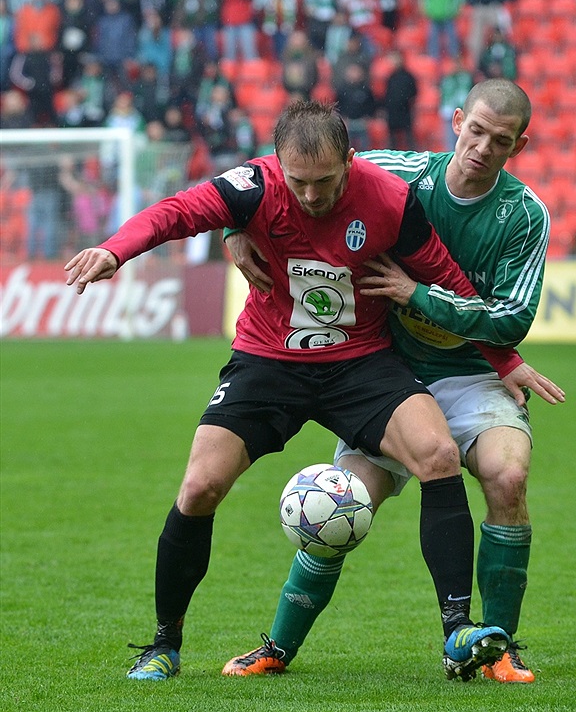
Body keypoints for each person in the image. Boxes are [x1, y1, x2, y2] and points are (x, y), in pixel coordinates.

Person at [64, 100, 548, 682]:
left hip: (360, 363)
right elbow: (174, 212)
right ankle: (164, 644)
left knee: (439, 456)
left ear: (350, 160)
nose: (313, 195)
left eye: (326, 181)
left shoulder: (391, 198)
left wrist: (505, 359)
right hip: (269, 360)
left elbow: (447, 278)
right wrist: (116, 250)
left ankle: (457, 633)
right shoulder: (251, 187)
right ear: (277, 163)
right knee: (199, 487)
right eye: (298, 181)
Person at [223, 80, 561, 683]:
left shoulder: (525, 216)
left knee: (508, 478)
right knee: (338, 507)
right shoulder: (394, 171)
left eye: (500, 140)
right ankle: (277, 645)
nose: (483, 147)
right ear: (457, 121)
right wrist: (236, 228)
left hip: (474, 375)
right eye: (476, 130)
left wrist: (419, 295)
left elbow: (513, 318)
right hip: (391, 379)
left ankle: (497, 647)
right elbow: (287, 173)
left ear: (519, 145)